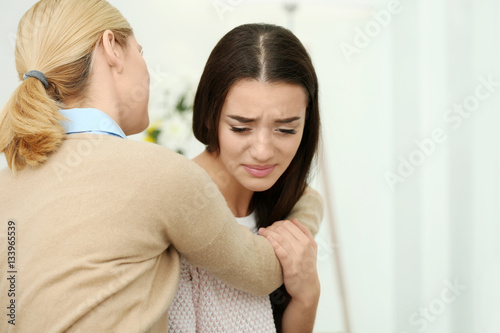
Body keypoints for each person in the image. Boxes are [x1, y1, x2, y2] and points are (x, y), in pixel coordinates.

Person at [0, 2, 290, 332]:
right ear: (111, 47)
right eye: (140, 50)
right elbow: (263, 272)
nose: (147, 71)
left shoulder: (6, 185)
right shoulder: (160, 174)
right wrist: (306, 203)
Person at [168, 23, 323, 333]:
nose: (263, 151)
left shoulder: (294, 207)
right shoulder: (175, 204)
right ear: (210, 117)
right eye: (241, 128)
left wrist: (307, 296)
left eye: (286, 129)